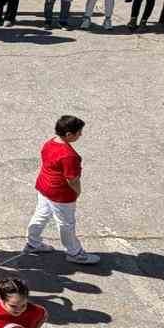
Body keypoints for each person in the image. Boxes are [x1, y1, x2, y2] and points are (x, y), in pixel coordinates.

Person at [24, 113, 96, 263]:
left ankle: (32, 242)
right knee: (66, 223)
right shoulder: (70, 156)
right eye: (79, 133)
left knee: (41, 214)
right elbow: (72, 179)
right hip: (60, 194)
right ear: (69, 134)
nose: (80, 135)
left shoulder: (49, 143)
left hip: (44, 186)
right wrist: (77, 192)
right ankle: (74, 253)